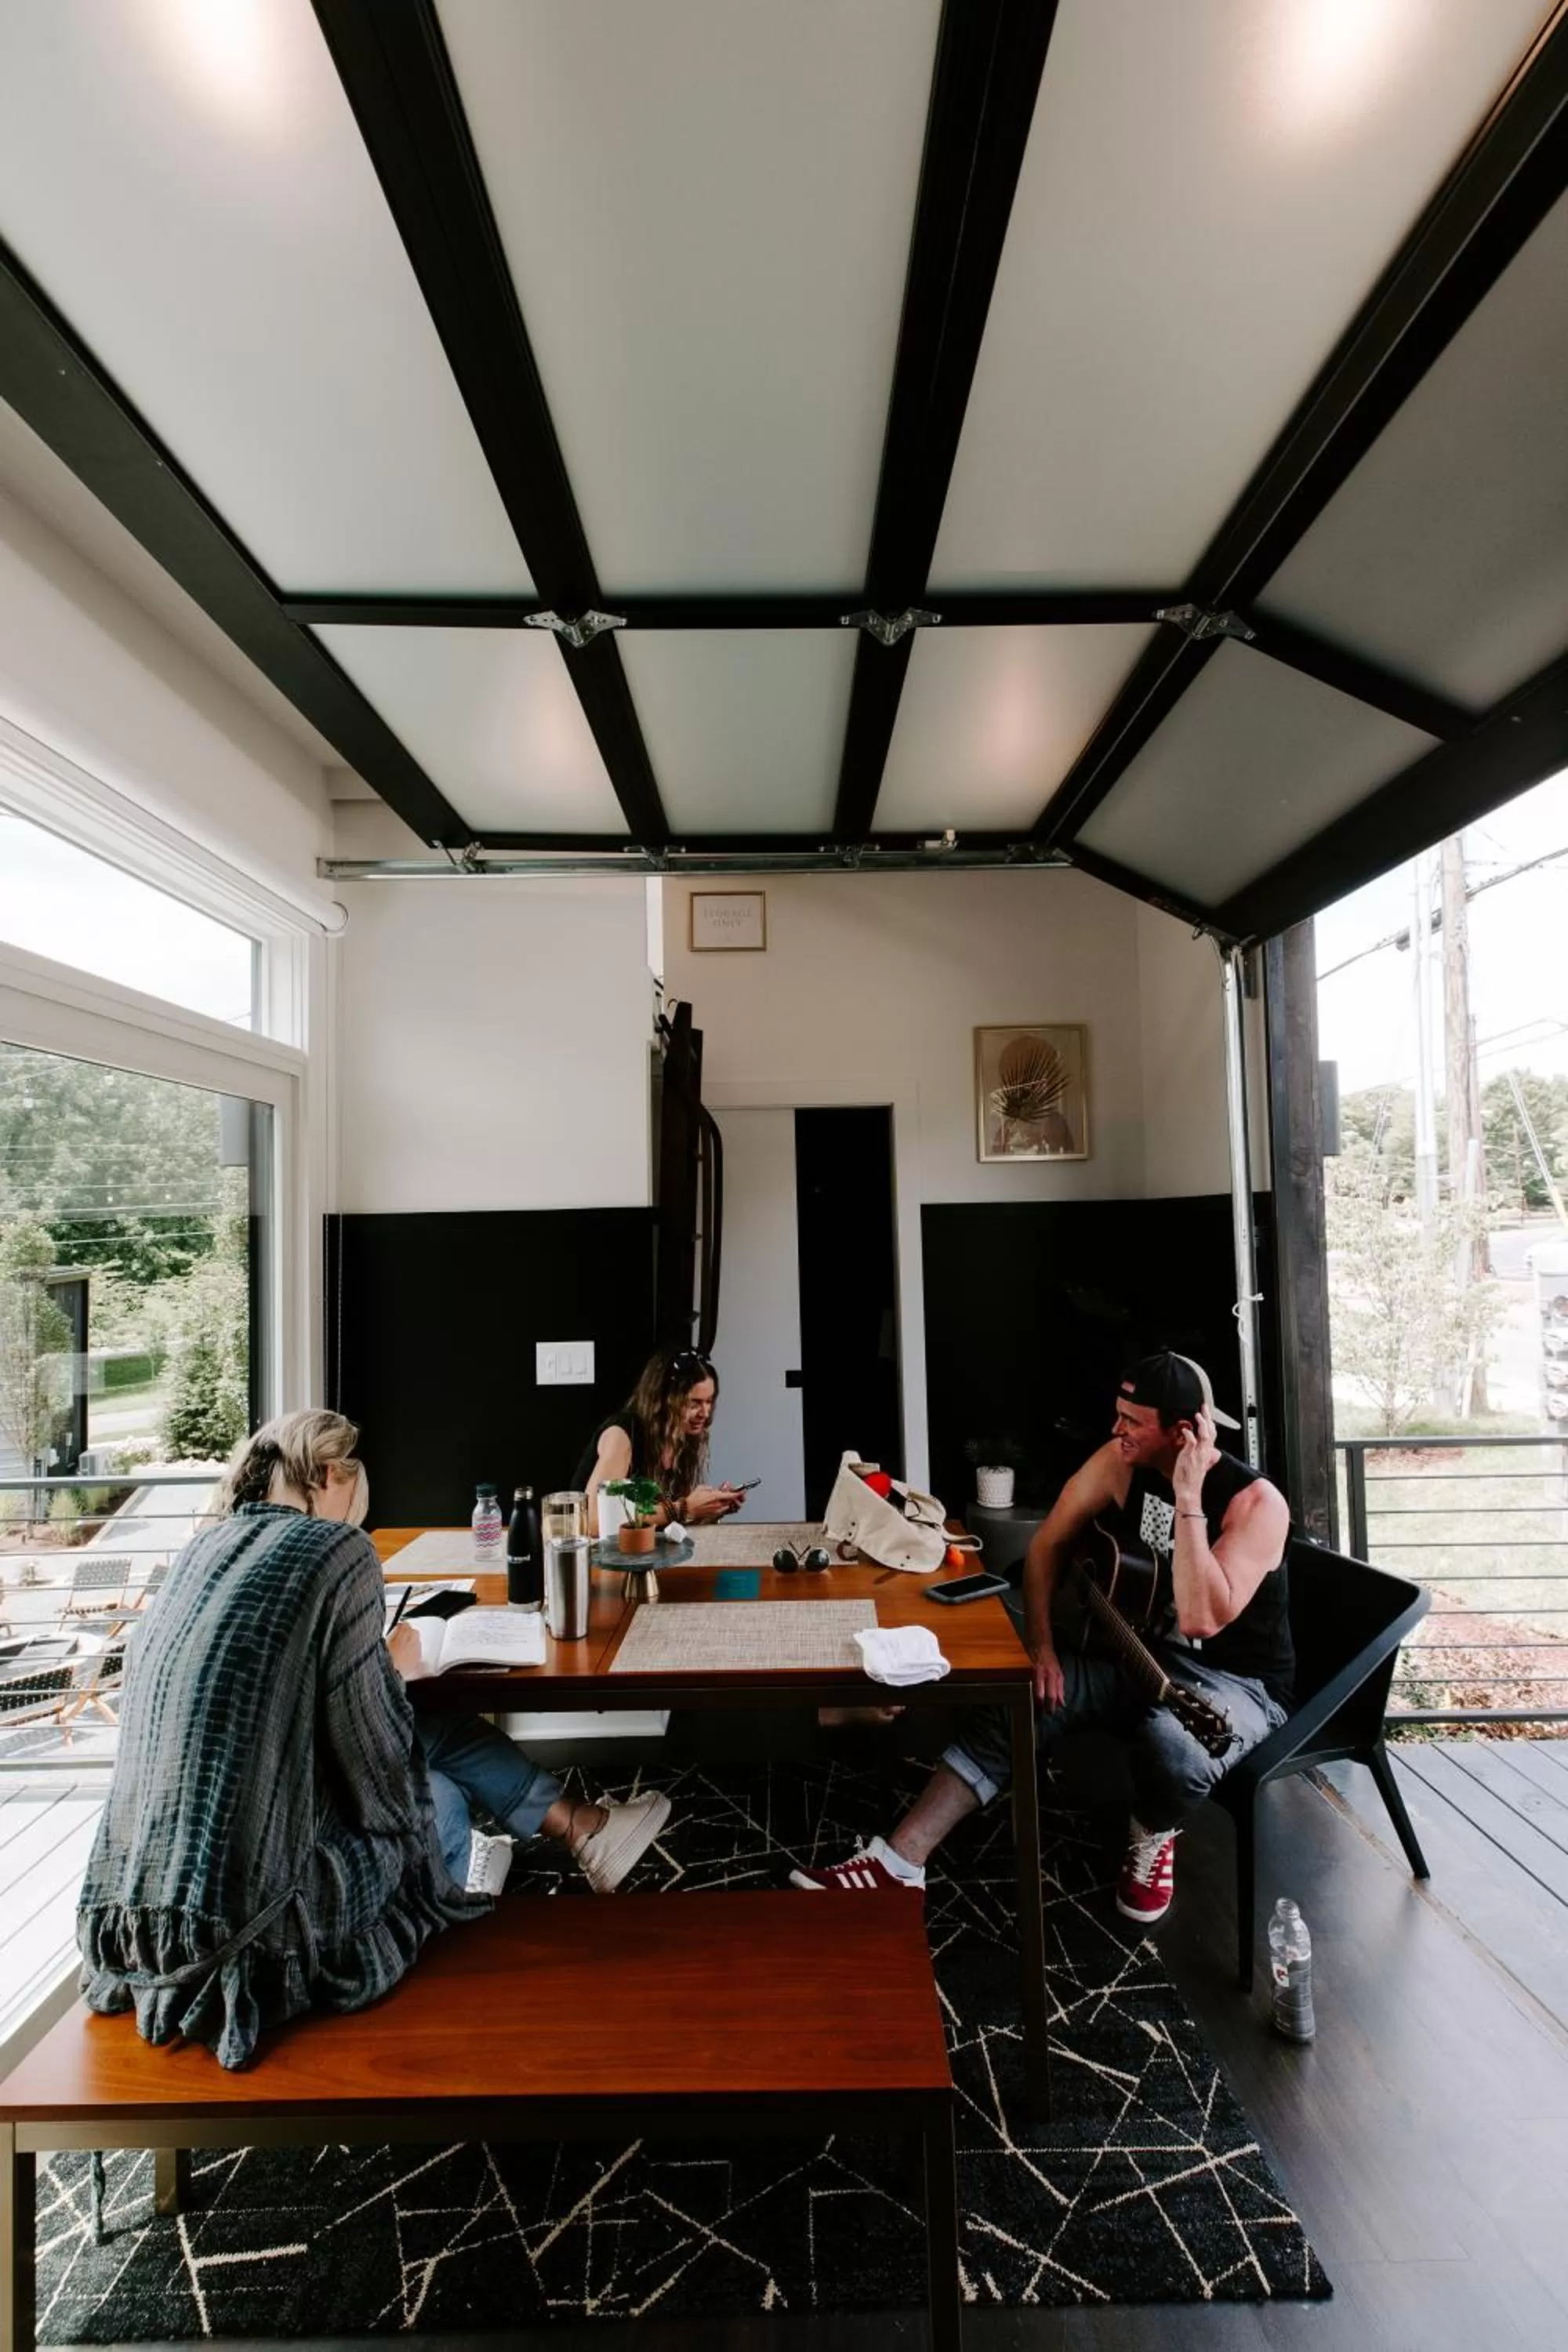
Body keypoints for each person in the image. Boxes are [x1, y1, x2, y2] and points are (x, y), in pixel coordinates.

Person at [77, 1410, 670, 2069]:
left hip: (135, 1910)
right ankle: (519, 1853)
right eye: (355, 1508)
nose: (356, 1523)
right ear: (334, 1475)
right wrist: (394, 1674)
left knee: (429, 1747)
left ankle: (572, 1827)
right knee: (437, 1796)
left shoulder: (203, 1546)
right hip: (262, 1922)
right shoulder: (336, 1553)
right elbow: (378, 1773)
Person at [791, 1351, 1294, 1926]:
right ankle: (900, 1863)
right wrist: (1043, 1645)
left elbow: (1205, 1619)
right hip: (1135, 1655)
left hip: (1235, 1686)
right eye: (1117, 1414)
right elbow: (1048, 1546)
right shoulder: (1120, 1463)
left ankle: (1153, 1829)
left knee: (1179, 1749)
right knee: (1018, 1694)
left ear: (1183, 1433)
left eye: (1132, 1421)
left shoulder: (1255, 1505)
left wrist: (1187, 1497)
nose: (1116, 1429)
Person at [576, 1346, 746, 1528]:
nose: (705, 1412)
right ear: (664, 1400)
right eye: (694, 1403)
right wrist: (684, 1508)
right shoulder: (623, 1434)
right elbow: (593, 1520)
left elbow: (664, 1519)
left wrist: (710, 1508)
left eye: (709, 1401)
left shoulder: (681, 1438)